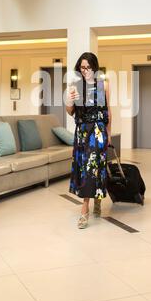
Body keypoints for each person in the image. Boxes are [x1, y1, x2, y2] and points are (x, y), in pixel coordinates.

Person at [66, 52, 111, 229]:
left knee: (94, 166)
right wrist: (70, 100)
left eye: (88, 67)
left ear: (94, 67)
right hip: (82, 131)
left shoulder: (103, 85)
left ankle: (85, 210)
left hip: (98, 131)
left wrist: (108, 133)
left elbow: (107, 111)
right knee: (84, 168)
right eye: (82, 67)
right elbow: (70, 111)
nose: (85, 71)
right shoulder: (75, 86)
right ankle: (96, 197)